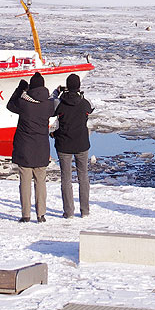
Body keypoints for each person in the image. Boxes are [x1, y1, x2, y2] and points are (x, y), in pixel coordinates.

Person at [7, 71, 55, 223]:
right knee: (40, 182)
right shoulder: (48, 105)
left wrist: (19, 89)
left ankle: (25, 214)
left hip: (25, 149)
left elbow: (10, 105)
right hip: (41, 148)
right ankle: (41, 215)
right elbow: (55, 108)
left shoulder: (23, 103)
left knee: (25, 182)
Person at [52, 73, 94, 219]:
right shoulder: (85, 103)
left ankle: (69, 212)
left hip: (64, 144)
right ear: (79, 87)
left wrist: (56, 94)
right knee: (83, 176)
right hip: (82, 144)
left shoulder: (60, 103)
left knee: (66, 178)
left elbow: (52, 109)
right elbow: (91, 108)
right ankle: (85, 211)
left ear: (67, 86)